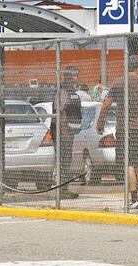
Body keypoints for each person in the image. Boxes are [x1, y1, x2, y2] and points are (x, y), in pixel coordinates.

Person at [98, 55, 138, 209]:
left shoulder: (118, 83)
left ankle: (134, 198)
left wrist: (100, 123)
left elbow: (106, 105)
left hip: (125, 128)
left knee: (129, 163)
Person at [52, 67, 84, 199]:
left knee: (67, 159)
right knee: (64, 159)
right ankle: (62, 189)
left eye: (77, 76)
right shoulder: (63, 92)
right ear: (68, 77)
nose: (76, 78)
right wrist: (64, 132)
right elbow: (61, 113)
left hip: (69, 132)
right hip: (62, 132)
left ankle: (64, 188)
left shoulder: (72, 92)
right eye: (74, 76)